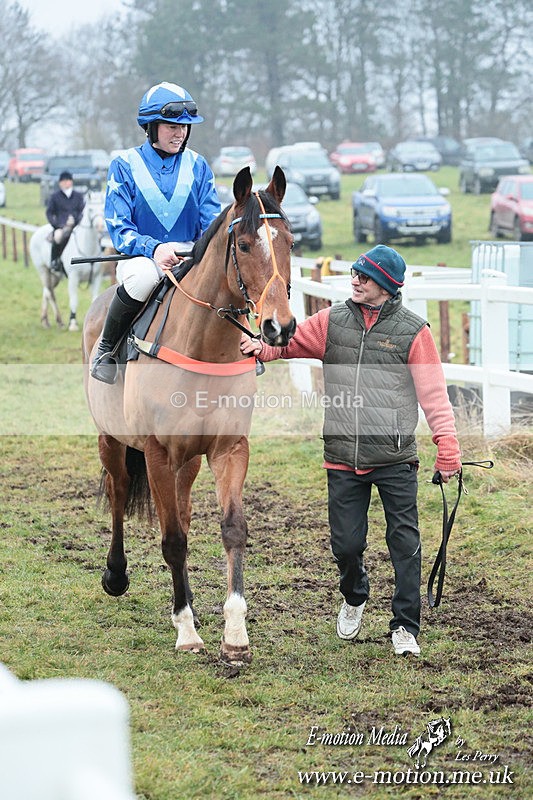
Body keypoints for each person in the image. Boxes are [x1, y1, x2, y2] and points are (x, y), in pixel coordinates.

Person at [240, 244, 462, 657]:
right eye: (355, 273)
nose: (355, 280)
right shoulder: (331, 321)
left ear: (387, 286)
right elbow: (291, 343)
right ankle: (355, 594)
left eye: (365, 276)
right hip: (342, 456)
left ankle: (404, 626)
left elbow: (434, 395)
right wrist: (263, 348)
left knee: (404, 544)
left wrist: (446, 447)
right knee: (345, 544)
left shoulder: (414, 331)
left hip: (395, 457)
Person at [90, 81, 221, 383]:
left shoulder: (198, 166)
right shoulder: (123, 165)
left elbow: (212, 223)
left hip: (189, 256)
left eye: (185, 127)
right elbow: (120, 229)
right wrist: (154, 249)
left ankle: (242, 350)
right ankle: (107, 351)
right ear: (150, 127)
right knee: (144, 278)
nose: (180, 133)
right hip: (141, 258)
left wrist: (199, 251)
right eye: (171, 126)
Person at [46, 171, 86, 274]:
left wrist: (76, 220)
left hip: (77, 225)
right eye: (63, 181)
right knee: (58, 237)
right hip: (61, 226)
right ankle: (55, 260)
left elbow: (82, 210)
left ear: (71, 182)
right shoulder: (55, 196)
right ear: (60, 183)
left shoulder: (78, 196)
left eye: (67, 180)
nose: (65, 183)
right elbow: (49, 213)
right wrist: (56, 225)